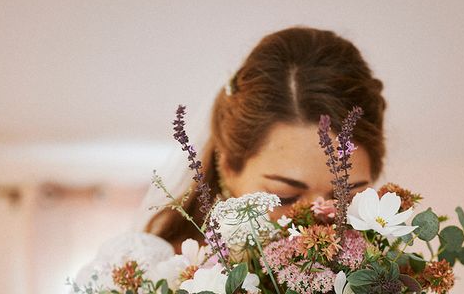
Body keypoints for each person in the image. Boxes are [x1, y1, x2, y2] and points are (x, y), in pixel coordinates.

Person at [145, 26, 387, 251]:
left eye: (348, 199)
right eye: (285, 197)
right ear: (228, 167)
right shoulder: (168, 277)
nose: (318, 226)